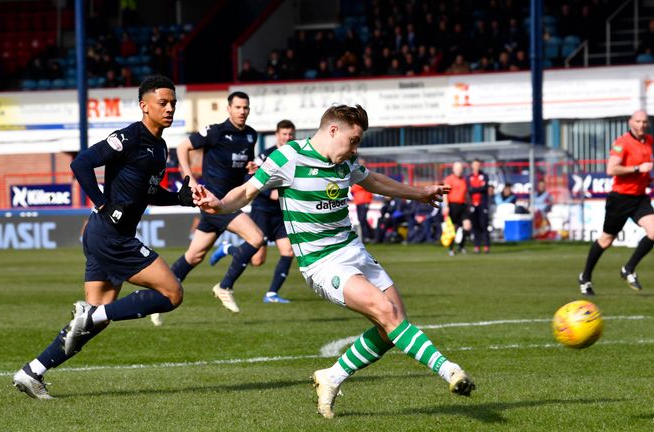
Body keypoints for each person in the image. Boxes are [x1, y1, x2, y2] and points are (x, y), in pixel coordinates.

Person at [192, 104, 474, 419]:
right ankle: (451, 371)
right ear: (333, 130)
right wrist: (218, 204)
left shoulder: (346, 161)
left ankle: (332, 376)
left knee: (393, 327)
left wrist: (418, 193)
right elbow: (246, 191)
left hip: (354, 251)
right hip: (321, 263)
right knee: (386, 312)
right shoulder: (289, 158)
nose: (355, 149)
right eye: (353, 141)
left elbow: (374, 182)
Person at [12, 76, 195, 399]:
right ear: (144, 106)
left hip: (107, 237)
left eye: (172, 103)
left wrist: (177, 199)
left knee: (91, 325)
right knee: (172, 293)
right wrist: (102, 202)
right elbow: (81, 163)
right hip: (111, 237)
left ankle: (32, 371)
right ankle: (91, 313)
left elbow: (147, 192)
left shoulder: (159, 146)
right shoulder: (128, 137)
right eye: (162, 103)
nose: (169, 108)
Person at [168, 91, 264, 315]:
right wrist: (189, 178)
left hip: (229, 202)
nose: (242, 111)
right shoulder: (215, 131)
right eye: (238, 107)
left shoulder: (251, 135)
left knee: (194, 256)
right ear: (229, 109)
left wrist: (250, 169)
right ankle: (225, 286)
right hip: (214, 202)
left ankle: (162, 292)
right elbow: (182, 147)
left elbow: (241, 168)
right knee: (256, 237)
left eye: (245, 108)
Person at [209, 119, 296, 304]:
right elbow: (250, 182)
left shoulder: (295, 156)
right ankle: (227, 248)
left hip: (281, 213)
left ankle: (272, 293)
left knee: (288, 251)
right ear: (277, 135)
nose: (288, 138)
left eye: (290, 134)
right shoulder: (266, 156)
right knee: (257, 260)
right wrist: (271, 194)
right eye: (284, 134)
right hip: (262, 211)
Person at [579, 110, 654, 296]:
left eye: (645, 122)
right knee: (606, 241)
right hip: (620, 198)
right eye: (638, 121)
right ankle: (585, 277)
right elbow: (611, 168)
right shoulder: (622, 143)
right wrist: (638, 168)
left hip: (639, 197)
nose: (642, 125)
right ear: (630, 122)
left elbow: (642, 169)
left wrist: (646, 179)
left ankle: (628, 269)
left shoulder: (649, 140)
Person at [443, 161, 469, 255]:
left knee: (467, 226)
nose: (459, 170)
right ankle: (451, 248)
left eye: (460, 168)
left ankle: (461, 246)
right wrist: (446, 206)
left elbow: (466, 193)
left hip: (463, 205)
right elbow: (445, 193)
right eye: (457, 168)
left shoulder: (464, 180)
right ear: (453, 169)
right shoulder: (449, 179)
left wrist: (468, 204)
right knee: (453, 228)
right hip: (452, 205)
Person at [466, 158, 490, 254]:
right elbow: (468, 189)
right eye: (475, 165)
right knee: (475, 225)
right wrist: (478, 189)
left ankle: (486, 246)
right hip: (472, 204)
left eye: (478, 165)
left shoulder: (484, 176)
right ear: (472, 166)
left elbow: (485, 188)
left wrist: (474, 189)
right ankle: (476, 245)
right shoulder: (468, 177)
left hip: (482, 204)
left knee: (484, 225)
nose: (476, 167)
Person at [350, 159, 374, 243]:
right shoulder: (358, 174)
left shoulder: (366, 174)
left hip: (365, 200)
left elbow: (359, 186)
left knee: (363, 219)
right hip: (358, 201)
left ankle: (368, 236)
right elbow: (353, 188)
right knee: (361, 219)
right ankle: (369, 236)